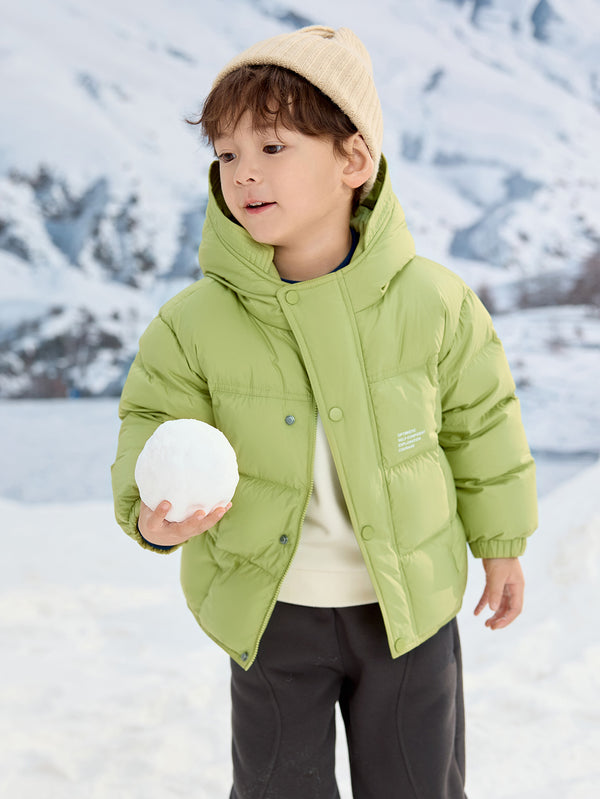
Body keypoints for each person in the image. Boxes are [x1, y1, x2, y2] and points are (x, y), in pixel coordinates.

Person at [111, 25, 538, 799]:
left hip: (407, 607)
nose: (244, 173)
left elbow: (482, 425)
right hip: (270, 609)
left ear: (353, 159)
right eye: (228, 154)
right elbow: (151, 425)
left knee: (417, 786)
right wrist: (151, 513)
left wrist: (501, 543)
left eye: (273, 147)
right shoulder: (192, 323)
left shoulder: (433, 303)